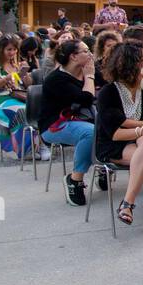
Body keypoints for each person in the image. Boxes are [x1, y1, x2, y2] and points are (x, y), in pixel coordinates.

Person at [94, 42, 143, 236]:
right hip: (113, 146)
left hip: (142, 142)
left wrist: (127, 123)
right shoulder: (109, 92)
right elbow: (115, 133)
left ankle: (128, 203)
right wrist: (142, 129)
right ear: (129, 64)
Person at [39, 39, 98, 205]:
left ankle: (102, 169)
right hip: (54, 125)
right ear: (73, 56)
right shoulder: (56, 79)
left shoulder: (88, 69)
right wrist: (90, 77)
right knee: (90, 133)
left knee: (109, 126)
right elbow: (87, 98)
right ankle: (75, 180)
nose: (90, 54)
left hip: (84, 120)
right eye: (86, 51)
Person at [0, 35, 30, 152]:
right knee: (21, 110)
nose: (12, 52)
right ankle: (22, 149)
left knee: (37, 109)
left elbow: (27, 85)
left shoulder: (15, 64)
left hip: (17, 96)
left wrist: (25, 74)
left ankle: (38, 145)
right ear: (0, 49)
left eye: (14, 49)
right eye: (9, 49)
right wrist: (4, 80)